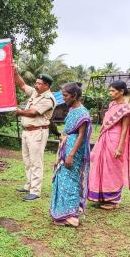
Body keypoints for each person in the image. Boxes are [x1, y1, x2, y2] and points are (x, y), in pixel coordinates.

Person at [88, 80, 130, 210]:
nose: (110, 93)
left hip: (115, 141)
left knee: (113, 169)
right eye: (110, 90)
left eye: (113, 91)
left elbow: (125, 130)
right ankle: (102, 197)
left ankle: (114, 201)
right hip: (105, 138)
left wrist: (120, 148)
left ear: (121, 92)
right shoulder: (112, 105)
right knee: (101, 167)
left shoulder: (126, 110)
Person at [50, 82, 92, 227]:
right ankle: (64, 214)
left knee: (70, 181)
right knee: (62, 180)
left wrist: (71, 155)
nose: (63, 98)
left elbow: (81, 135)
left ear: (74, 96)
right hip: (67, 145)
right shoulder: (72, 109)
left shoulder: (82, 112)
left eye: (66, 96)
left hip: (74, 149)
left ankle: (71, 216)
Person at [14, 66, 56, 201]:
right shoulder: (35, 93)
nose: (36, 85)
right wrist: (15, 73)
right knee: (27, 160)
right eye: (36, 82)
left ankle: (35, 191)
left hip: (38, 132)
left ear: (46, 85)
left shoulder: (48, 99)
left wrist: (20, 112)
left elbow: (33, 113)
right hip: (27, 132)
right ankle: (29, 185)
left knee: (36, 161)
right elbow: (22, 85)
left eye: (39, 83)